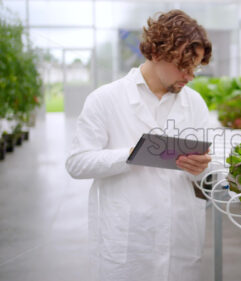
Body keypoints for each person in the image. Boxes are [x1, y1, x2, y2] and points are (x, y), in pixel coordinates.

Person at [65, 10, 213, 281]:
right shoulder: (105, 99)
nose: (190, 76)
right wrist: (132, 154)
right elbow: (77, 163)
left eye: (196, 67)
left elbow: (207, 172)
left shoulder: (195, 103)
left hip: (180, 237)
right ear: (156, 52)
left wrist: (202, 169)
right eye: (184, 66)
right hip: (128, 242)